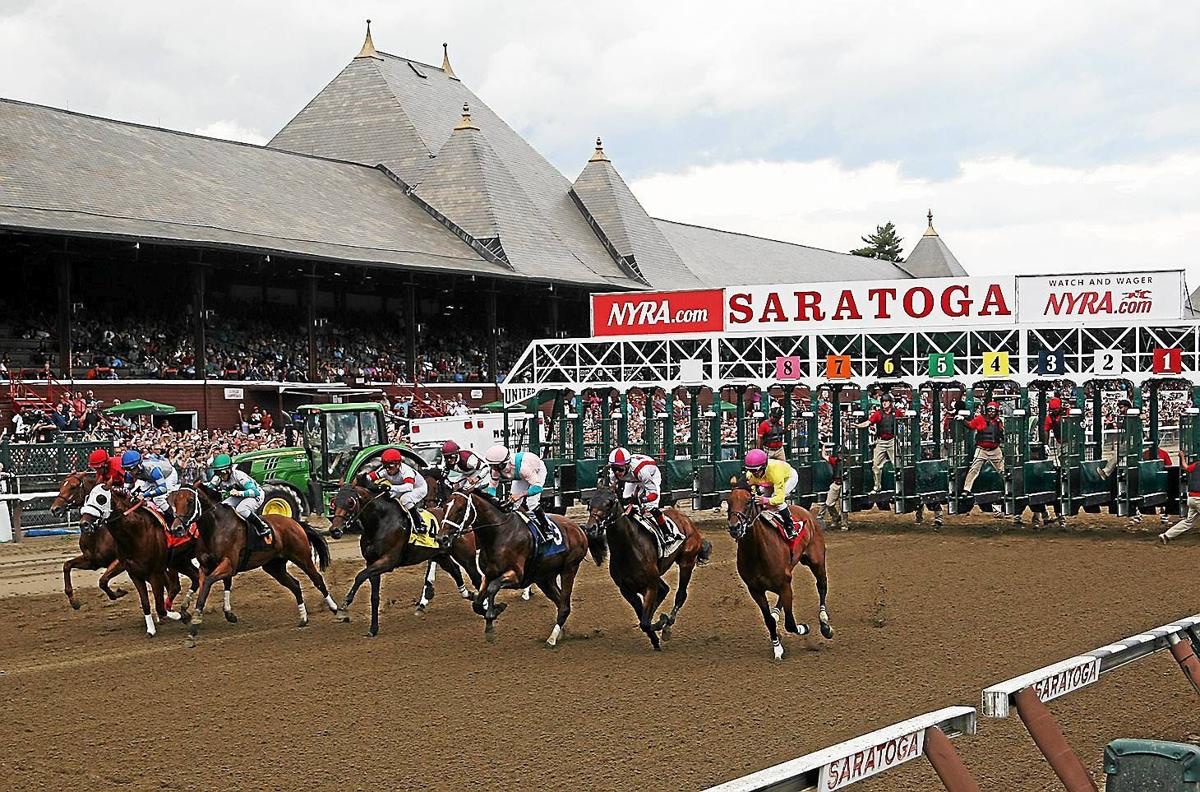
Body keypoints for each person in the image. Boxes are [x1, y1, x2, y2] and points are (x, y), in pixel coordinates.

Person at [482, 444, 558, 544]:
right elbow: (492, 488)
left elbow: (538, 488)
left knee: (532, 503)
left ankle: (548, 529)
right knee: (513, 505)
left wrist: (520, 494)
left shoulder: (524, 468)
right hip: (519, 477)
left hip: (536, 471)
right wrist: (491, 501)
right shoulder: (496, 469)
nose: (494, 469)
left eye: (496, 466)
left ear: (504, 463)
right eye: (492, 466)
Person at [608, 446, 682, 545]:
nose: (617, 472)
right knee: (626, 504)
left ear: (627, 465)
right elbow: (611, 490)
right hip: (633, 480)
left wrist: (642, 499)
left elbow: (654, 495)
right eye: (614, 468)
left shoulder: (642, 471)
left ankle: (668, 533)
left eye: (620, 469)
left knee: (651, 507)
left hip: (651, 476)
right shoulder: (613, 474)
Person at [364, 448, 429, 536]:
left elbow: (409, 487)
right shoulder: (385, 470)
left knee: (405, 499)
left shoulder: (406, 471)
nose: (387, 470)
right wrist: (362, 478)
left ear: (398, 465)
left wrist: (390, 487)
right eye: (385, 466)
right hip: (402, 486)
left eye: (390, 466)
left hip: (418, 488)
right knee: (387, 496)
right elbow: (370, 477)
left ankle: (419, 524)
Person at [207, 454, 270, 538]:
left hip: (254, 495)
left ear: (229, 470)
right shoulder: (218, 478)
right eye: (217, 472)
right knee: (221, 507)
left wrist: (239, 493)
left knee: (241, 509)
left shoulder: (239, 475)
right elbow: (208, 488)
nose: (220, 475)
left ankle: (262, 527)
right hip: (239, 495)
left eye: (222, 472)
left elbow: (255, 492)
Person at [743, 448, 800, 540]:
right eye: (750, 470)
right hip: (768, 480)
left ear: (764, 467)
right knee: (762, 499)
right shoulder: (750, 474)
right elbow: (752, 489)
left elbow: (779, 499)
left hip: (788, 477)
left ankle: (790, 527)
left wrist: (765, 500)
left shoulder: (775, 474)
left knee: (775, 499)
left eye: (755, 471)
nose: (753, 473)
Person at [960, 401, 1005, 517]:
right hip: (981, 449)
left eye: (993, 410)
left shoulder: (999, 421)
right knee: (974, 469)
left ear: (996, 412)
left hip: (995, 450)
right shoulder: (980, 419)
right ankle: (966, 490)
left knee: (1002, 471)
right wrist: (962, 420)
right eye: (989, 410)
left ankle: (1009, 488)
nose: (991, 412)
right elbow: (970, 426)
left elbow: (1002, 434)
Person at [856, 393, 899, 494]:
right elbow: (868, 422)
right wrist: (858, 426)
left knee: (897, 465)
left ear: (890, 403)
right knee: (876, 465)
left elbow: (905, 417)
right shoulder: (878, 413)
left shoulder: (896, 413)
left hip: (892, 441)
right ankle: (877, 487)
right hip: (880, 442)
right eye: (883, 402)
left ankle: (899, 487)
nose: (884, 403)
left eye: (886, 401)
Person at [121, 449, 179, 520]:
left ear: (139, 465)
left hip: (168, 475)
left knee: (158, 498)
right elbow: (127, 489)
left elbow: (163, 489)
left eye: (132, 469)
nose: (130, 472)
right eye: (126, 469)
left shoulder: (153, 470)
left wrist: (144, 495)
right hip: (150, 478)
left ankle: (171, 520)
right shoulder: (129, 472)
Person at [1161, 452, 1200, 545]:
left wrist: (1182, 457)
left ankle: (1166, 535)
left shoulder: (1197, 464)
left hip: (1191, 498)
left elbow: (1185, 467)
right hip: (1199, 499)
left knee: (1188, 522)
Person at [815, 440, 846, 531]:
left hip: (845, 484)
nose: (840, 455)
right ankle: (836, 517)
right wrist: (823, 446)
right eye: (839, 453)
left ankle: (844, 524)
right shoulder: (835, 461)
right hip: (835, 484)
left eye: (842, 453)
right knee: (829, 503)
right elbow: (824, 456)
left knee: (843, 506)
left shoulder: (850, 462)